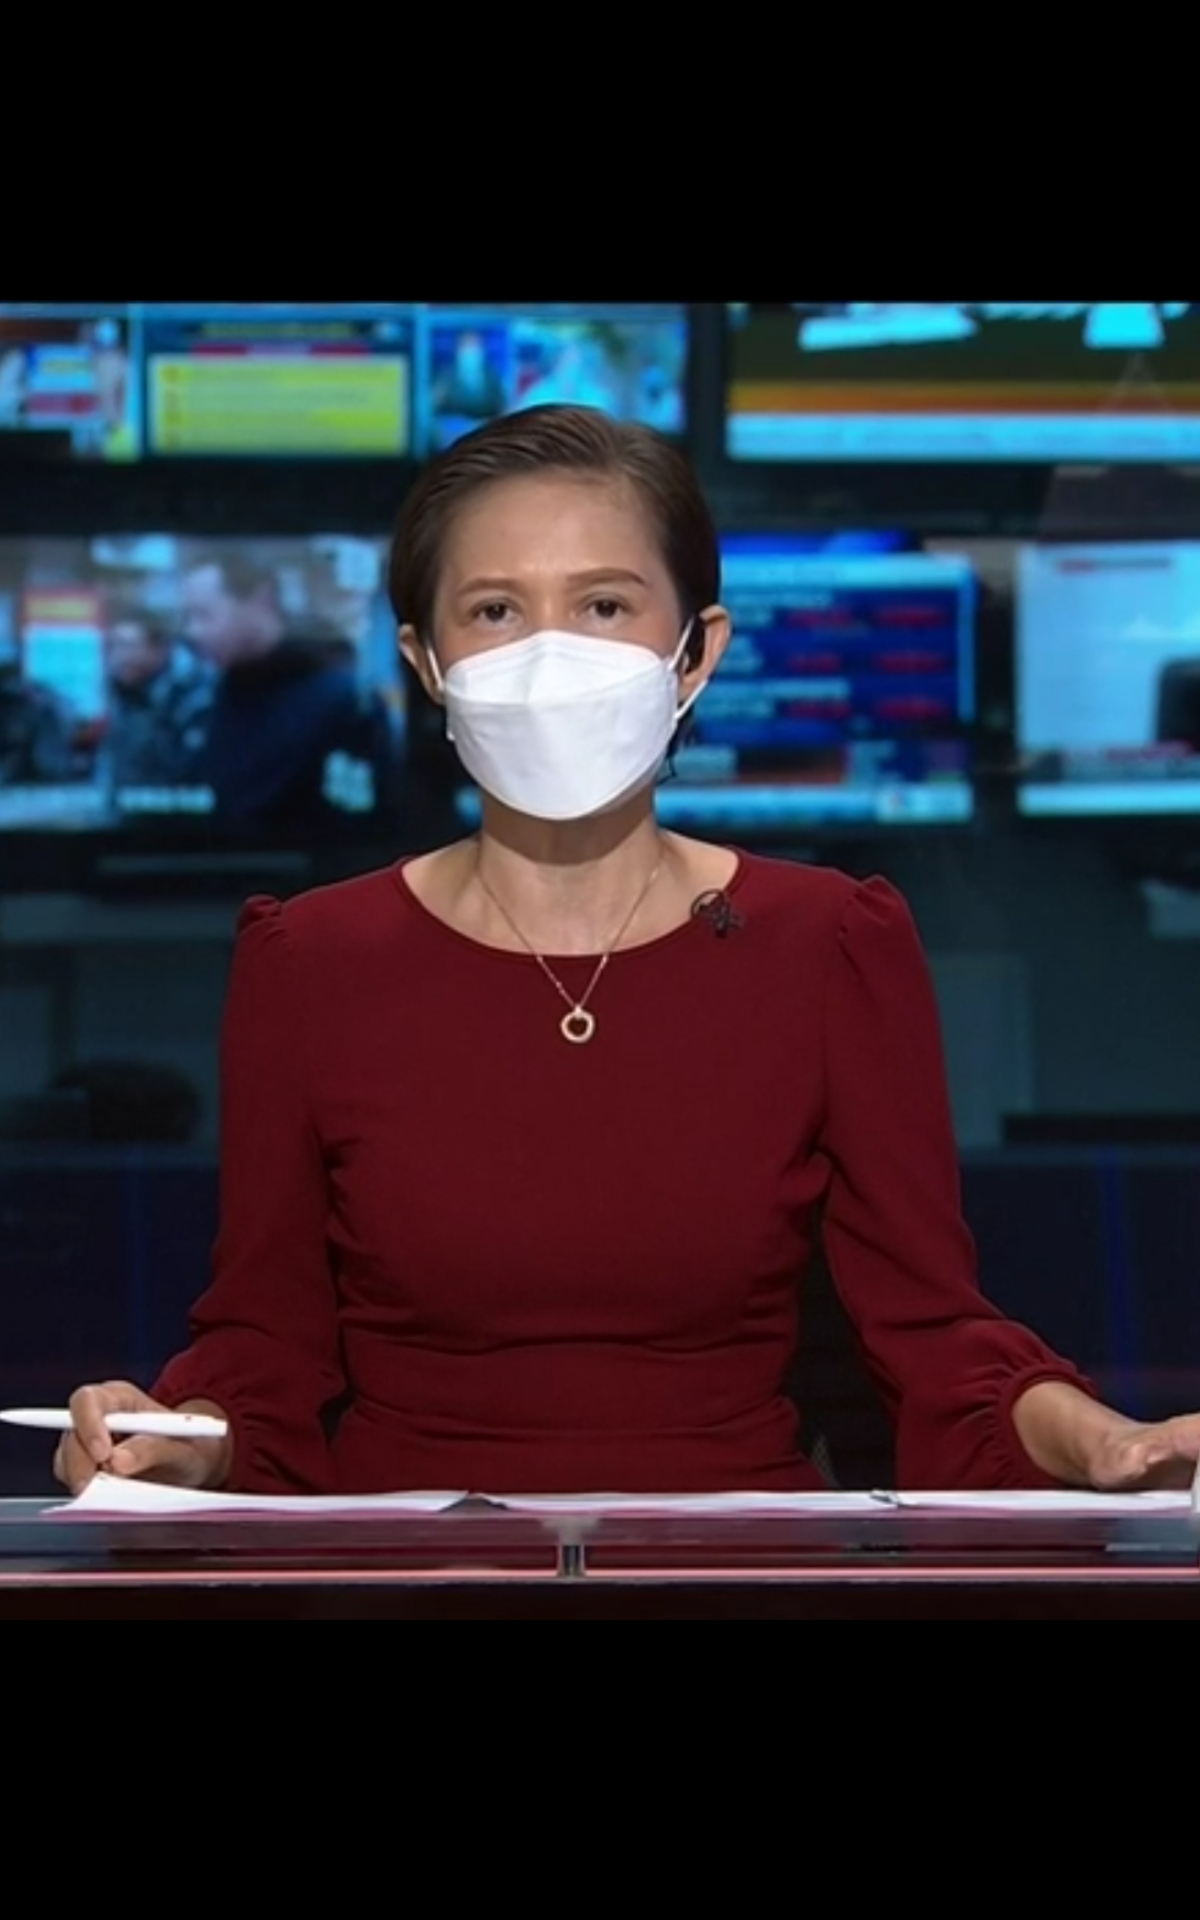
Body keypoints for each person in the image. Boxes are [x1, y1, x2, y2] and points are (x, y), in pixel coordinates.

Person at [55, 405, 1200, 1499]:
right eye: (495, 612)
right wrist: (172, 1442)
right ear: (426, 662)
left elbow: (931, 1333)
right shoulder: (311, 959)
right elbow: (264, 1343)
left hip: (740, 1574)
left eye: (603, 605)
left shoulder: (831, 944)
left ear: (696, 654)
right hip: (403, 1574)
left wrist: (1106, 1443)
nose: (549, 656)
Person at [179, 550, 397, 833]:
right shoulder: (210, 694)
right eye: (188, 617)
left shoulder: (344, 700)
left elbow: (361, 827)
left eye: (204, 615)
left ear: (261, 601)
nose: (193, 632)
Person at [102, 603, 214, 791]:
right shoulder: (124, 694)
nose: (120, 657)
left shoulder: (193, 697)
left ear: (161, 649)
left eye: (129, 646)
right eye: (113, 646)